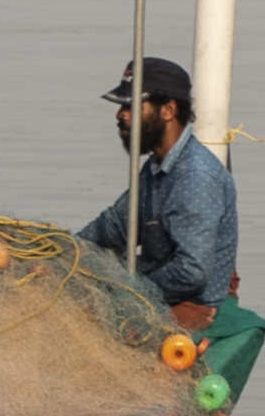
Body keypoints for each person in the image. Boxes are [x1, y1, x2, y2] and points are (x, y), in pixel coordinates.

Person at [82, 57, 236, 319]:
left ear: (168, 110)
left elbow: (191, 273)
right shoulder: (156, 166)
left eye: (132, 106)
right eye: (121, 106)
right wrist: (63, 250)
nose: (121, 115)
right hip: (156, 290)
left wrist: (130, 290)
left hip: (190, 307)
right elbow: (115, 226)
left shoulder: (195, 177)